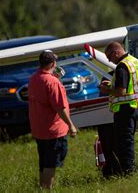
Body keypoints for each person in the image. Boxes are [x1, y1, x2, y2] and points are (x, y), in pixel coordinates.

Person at [28, 50, 77, 189]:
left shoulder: (34, 78)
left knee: (43, 161)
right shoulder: (52, 82)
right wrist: (71, 125)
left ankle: (43, 187)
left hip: (39, 129)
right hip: (53, 130)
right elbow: (60, 107)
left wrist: (54, 78)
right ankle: (47, 188)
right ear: (53, 63)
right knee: (51, 163)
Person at [98, 41, 138, 176]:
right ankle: (129, 169)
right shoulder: (136, 62)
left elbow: (121, 91)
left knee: (124, 142)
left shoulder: (121, 67)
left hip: (125, 109)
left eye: (109, 57)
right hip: (137, 106)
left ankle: (129, 171)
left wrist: (107, 90)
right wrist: (112, 83)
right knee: (127, 139)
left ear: (116, 52)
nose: (109, 60)